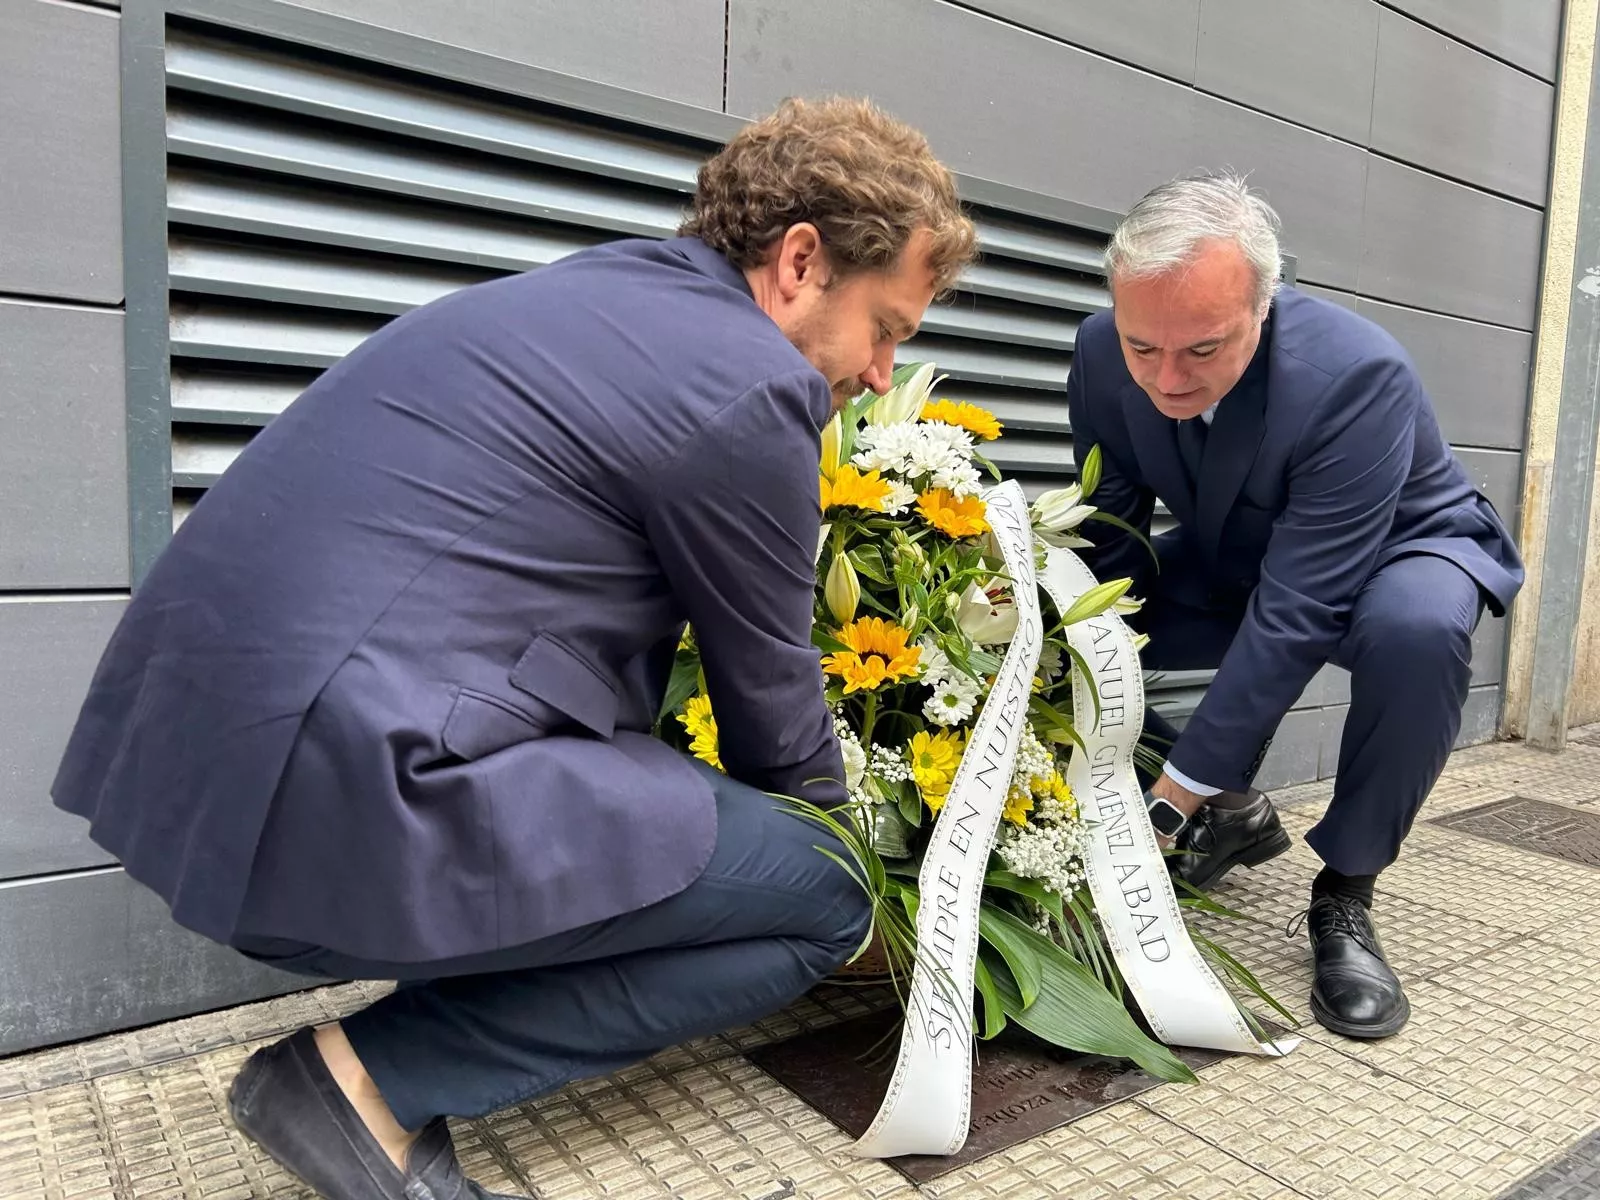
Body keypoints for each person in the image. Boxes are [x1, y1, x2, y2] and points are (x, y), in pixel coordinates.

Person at [50, 97, 978, 1199]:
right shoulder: (746, 381)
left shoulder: (603, 292)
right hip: (349, 793)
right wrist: (852, 885)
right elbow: (768, 696)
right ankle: (361, 1083)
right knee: (816, 896)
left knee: (673, 820)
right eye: (888, 328)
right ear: (799, 262)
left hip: (202, 775)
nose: (881, 373)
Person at [1067, 172, 1524, 1040]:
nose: (1166, 379)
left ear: (1264, 306)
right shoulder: (1097, 351)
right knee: (1066, 622)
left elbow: (1300, 607)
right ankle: (1235, 815)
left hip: (1400, 552)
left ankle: (1345, 892)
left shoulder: (1355, 375)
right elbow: (1112, 535)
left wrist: (1165, 804)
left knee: (1417, 633)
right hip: (1237, 549)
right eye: (1142, 347)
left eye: (1203, 350)